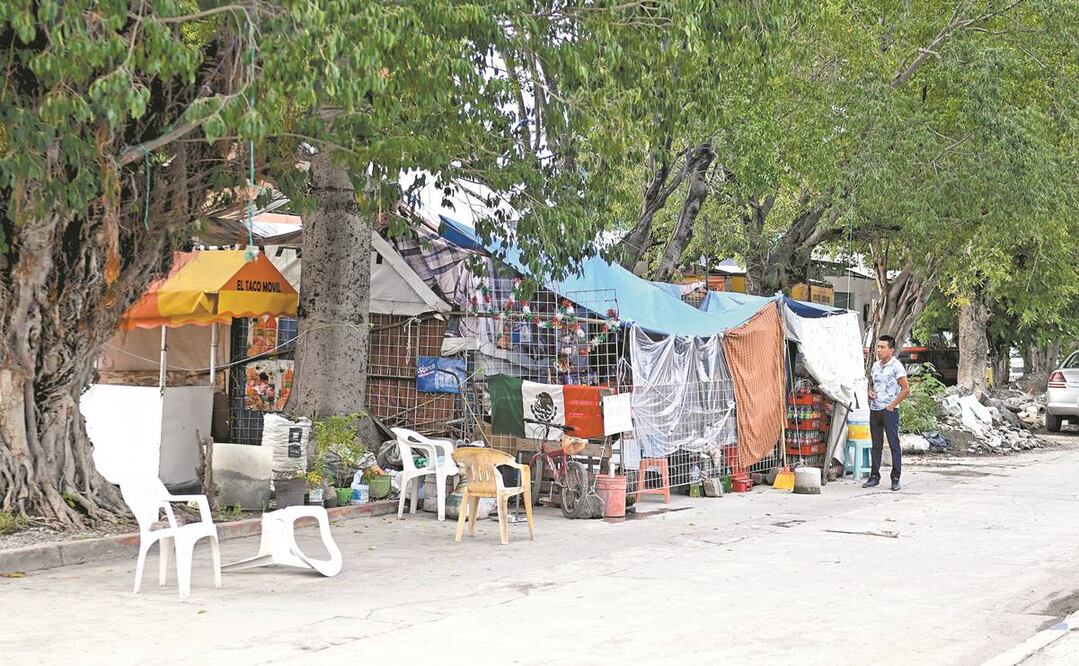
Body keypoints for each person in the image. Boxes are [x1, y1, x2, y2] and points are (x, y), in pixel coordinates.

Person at [865, 335, 910, 491]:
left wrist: (892, 405)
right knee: (875, 445)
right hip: (875, 408)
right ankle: (874, 476)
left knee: (893, 444)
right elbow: (872, 384)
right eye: (878, 347)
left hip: (889, 410)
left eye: (882, 347)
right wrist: (870, 392)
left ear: (891, 350)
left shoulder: (896, 366)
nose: (879, 350)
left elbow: (906, 389)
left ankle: (895, 478)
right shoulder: (875, 366)